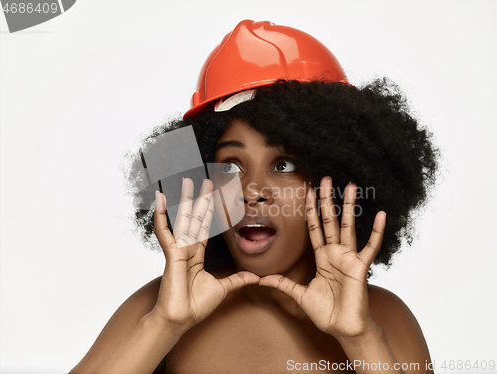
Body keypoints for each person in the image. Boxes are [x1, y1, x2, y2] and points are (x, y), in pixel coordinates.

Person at [70, 20, 439, 373]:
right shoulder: (163, 304)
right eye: (230, 166)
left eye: (283, 165)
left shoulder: (382, 318)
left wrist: (359, 339)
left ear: (334, 180)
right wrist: (165, 324)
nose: (252, 191)